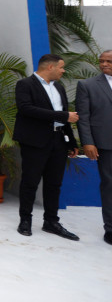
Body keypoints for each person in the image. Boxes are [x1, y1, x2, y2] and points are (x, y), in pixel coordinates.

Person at [14, 53, 79, 240]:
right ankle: (25, 220)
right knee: (30, 182)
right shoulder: (25, 84)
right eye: (61, 67)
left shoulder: (59, 87)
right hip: (35, 141)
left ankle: (51, 221)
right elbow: (26, 109)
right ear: (50, 67)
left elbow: (65, 116)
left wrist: (71, 142)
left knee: (54, 183)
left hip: (58, 141)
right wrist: (63, 116)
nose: (63, 71)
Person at [75, 49, 112, 245]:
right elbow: (84, 117)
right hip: (105, 143)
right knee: (109, 185)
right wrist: (88, 142)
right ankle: (110, 228)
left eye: (109, 61)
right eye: (102, 61)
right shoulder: (87, 85)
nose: (104, 64)